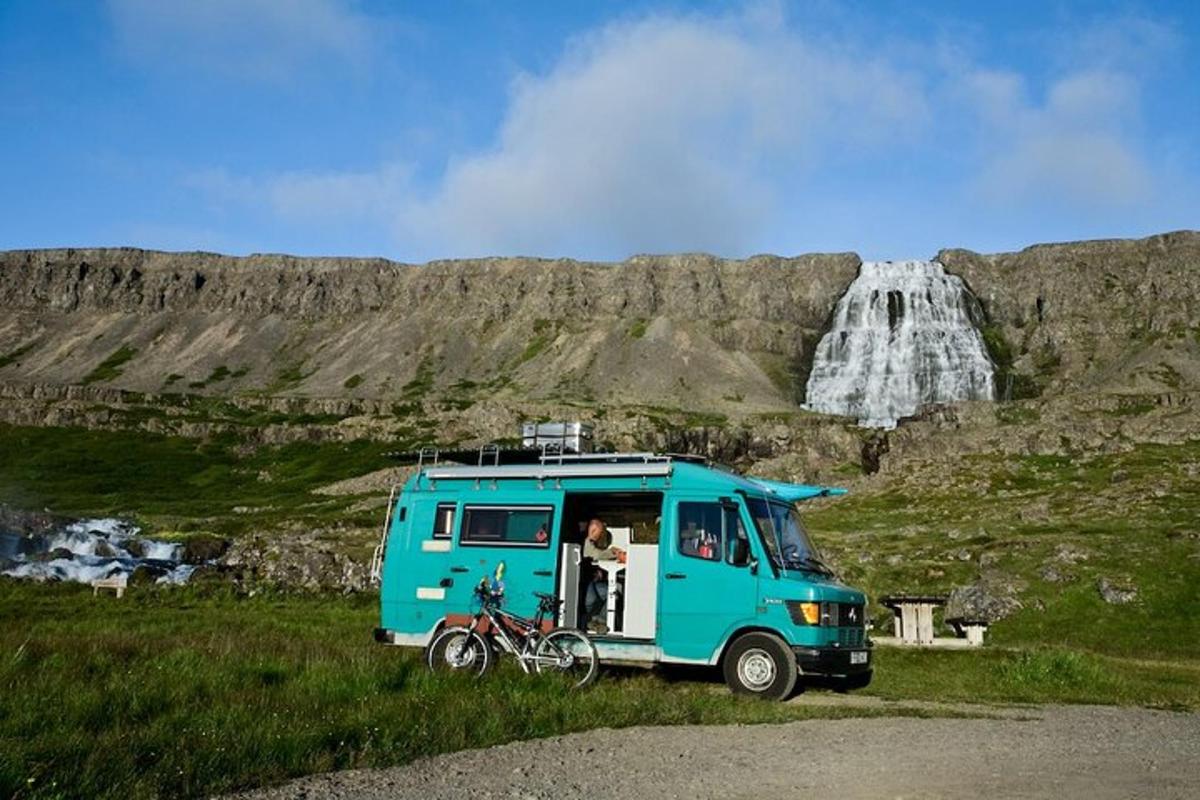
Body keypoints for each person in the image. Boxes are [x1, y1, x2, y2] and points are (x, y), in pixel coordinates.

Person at [582, 518, 624, 632]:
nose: (599, 536)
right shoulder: (587, 542)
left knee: (617, 589)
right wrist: (613, 553)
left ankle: (598, 621)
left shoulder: (592, 543)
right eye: (599, 532)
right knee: (612, 592)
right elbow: (594, 555)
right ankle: (598, 621)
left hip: (592, 581)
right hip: (586, 583)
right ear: (592, 530)